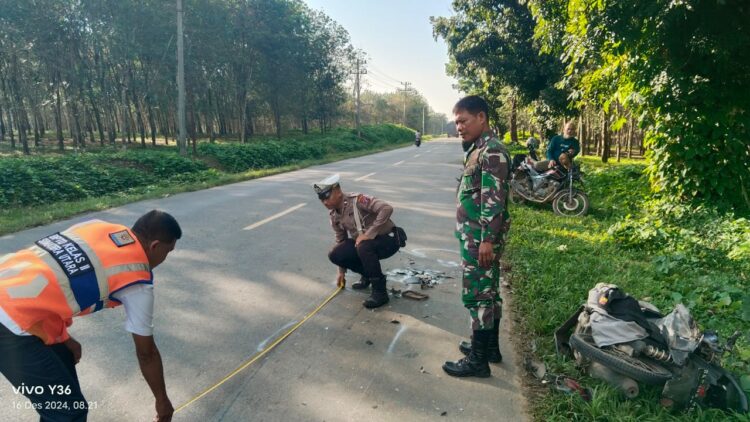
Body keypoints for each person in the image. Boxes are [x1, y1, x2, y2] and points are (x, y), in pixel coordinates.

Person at [0, 210, 182, 421]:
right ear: (155, 246)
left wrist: (63, 338)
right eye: (168, 252)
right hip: (10, 321)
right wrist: (163, 403)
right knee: (68, 412)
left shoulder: (96, 226)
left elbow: (53, 279)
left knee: (64, 367)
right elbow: (146, 353)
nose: (164, 259)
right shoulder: (136, 281)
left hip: (13, 299)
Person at [443, 95, 511, 378]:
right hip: (475, 237)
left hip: (480, 239)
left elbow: (493, 201)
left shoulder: (491, 152)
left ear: (481, 117)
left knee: (478, 296)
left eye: (464, 121)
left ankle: (478, 361)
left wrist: (486, 240)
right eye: (456, 121)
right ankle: (489, 349)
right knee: (490, 294)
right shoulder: (478, 149)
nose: (459, 126)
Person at [314, 174, 404, 309]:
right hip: (367, 245)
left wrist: (369, 233)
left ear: (338, 192)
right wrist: (341, 272)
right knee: (336, 253)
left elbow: (386, 208)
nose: (325, 202)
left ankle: (380, 292)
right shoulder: (334, 215)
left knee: (363, 245)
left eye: (327, 197)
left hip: (389, 240)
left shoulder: (358, 200)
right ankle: (367, 275)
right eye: (322, 200)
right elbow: (341, 240)